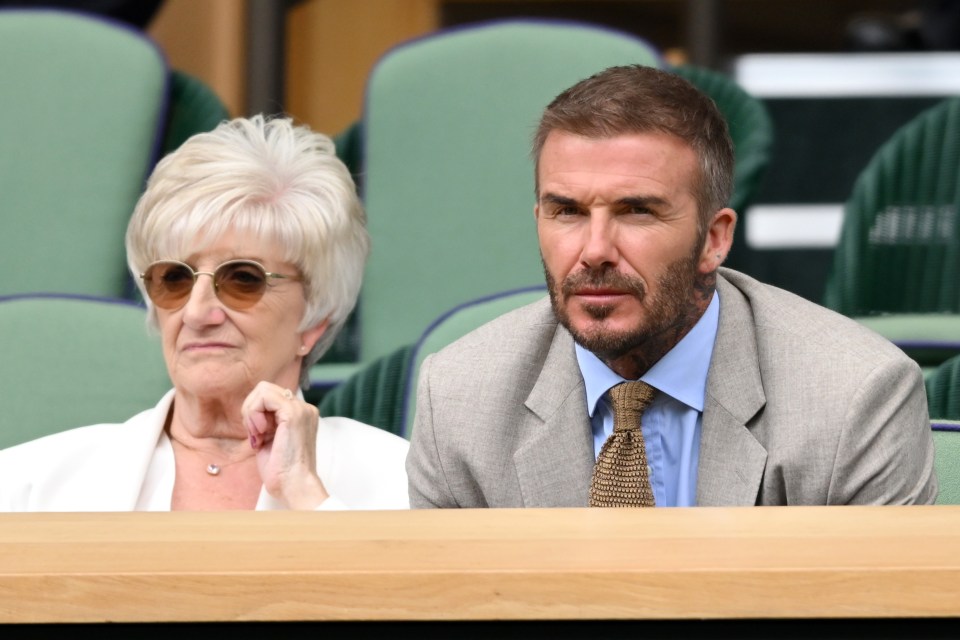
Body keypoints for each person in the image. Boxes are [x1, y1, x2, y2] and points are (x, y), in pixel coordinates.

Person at [406, 64, 938, 508]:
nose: (594, 251)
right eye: (566, 211)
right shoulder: (459, 399)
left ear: (714, 238)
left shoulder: (852, 396)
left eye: (636, 211)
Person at [0, 115, 409, 511]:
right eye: (174, 279)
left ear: (314, 320)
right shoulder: (28, 485)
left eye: (243, 280)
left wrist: (306, 494)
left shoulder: (398, 478)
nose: (197, 312)